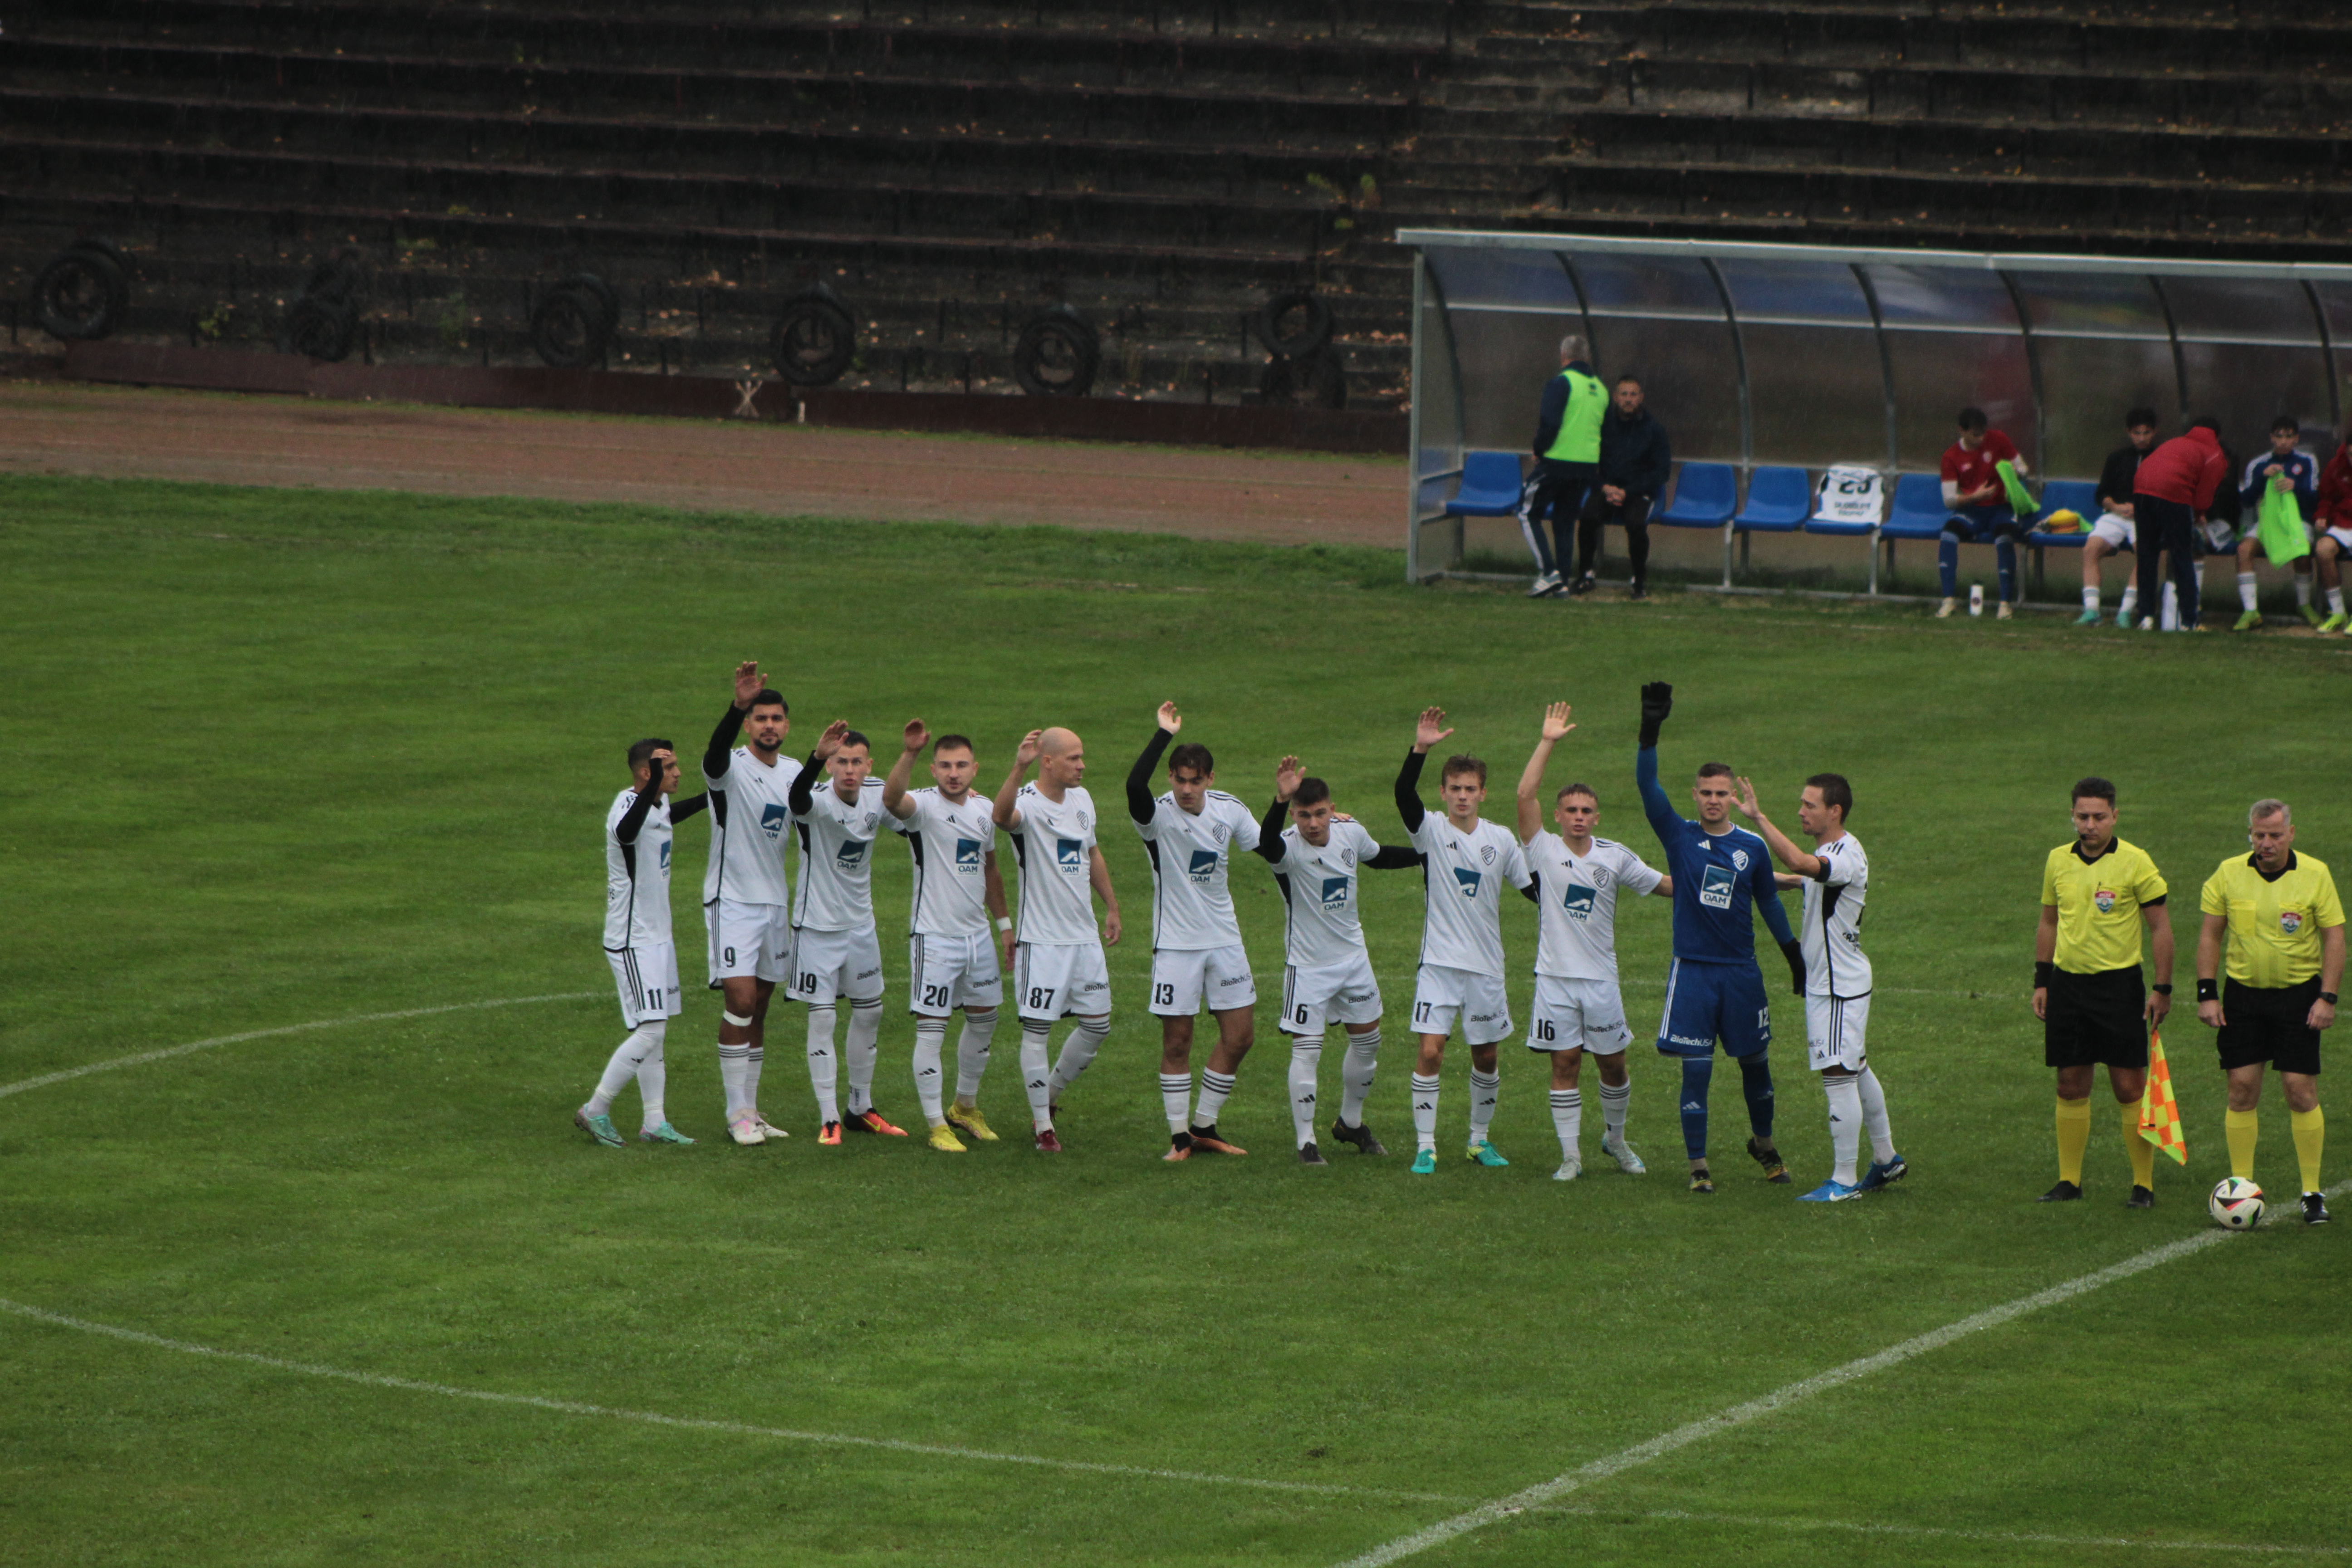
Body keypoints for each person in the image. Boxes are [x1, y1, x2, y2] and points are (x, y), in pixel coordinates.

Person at [1634, 682, 1804, 1193]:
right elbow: (1647, 789)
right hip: (1694, 971)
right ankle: (1698, 1165)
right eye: (1705, 793)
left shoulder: (1751, 847)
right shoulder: (1679, 836)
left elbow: (1769, 901)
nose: (1712, 801)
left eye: (1721, 794)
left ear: (1734, 796)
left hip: (1741, 974)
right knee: (1697, 1073)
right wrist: (1650, 731)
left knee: (1757, 1066)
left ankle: (1764, 1143)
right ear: (1696, 795)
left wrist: (1793, 955)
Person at [1514, 702, 1670, 1181]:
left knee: (1613, 1065)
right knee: (1564, 1063)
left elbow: (1665, 885)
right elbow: (1524, 794)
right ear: (1558, 816)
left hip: (1601, 978)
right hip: (1555, 979)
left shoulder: (1615, 857)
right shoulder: (1542, 848)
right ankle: (1571, 1157)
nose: (1579, 818)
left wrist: (1717, 889)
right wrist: (1548, 741)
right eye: (1571, 811)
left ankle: (1615, 1140)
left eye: (1586, 811)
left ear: (1597, 817)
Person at [1732, 774, 1905, 1202]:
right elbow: (1798, 878)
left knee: (1838, 1074)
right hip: (1837, 984)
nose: (1801, 811)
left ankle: (1844, 1181)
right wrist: (1746, 874)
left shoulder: (1843, 856)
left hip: (1837, 987)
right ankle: (1886, 1159)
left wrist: (1758, 819)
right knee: (1857, 1067)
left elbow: (1800, 866)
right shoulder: (1831, 853)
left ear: (1835, 812)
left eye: (1809, 805)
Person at [1254, 760, 1423, 1164]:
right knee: (1307, 1052)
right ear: (1294, 815)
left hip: (1353, 961)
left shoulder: (1350, 833)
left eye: (1320, 813)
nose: (1313, 823)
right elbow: (1267, 841)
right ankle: (1306, 1142)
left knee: (1369, 1042)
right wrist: (1280, 799)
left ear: (1333, 809)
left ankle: (1350, 1123)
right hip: (1308, 967)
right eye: (1304, 815)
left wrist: (1425, 856)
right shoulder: (1287, 848)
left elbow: (1378, 857)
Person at [1395, 707, 1535, 1174]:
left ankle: (1479, 1141)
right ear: (1443, 792)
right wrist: (1420, 749)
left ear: (1482, 793)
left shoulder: (1501, 840)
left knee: (1487, 1054)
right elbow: (1402, 795)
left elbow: (1534, 891)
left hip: (1486, 967)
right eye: (1454, 788)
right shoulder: (1430, 831)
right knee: (1431, 1050)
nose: (1461, 796)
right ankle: (1426, 1146)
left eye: (1469, 789)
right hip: (1438, 963)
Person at [1127, 703, 1262, 1162]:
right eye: (1179, 780)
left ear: (1210, 778)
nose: (1186, 789)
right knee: (1178, 1042)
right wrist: (1162, 734)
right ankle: (1180, 1137)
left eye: (1195, 780)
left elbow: (1274, 847)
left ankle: (1205, 1127)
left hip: (1225, 941)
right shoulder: (1156, 816)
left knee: (1241, 1036)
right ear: (1170, 778)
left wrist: (1294, 809)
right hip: (1177, 947)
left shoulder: (1230, 810)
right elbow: (1132, 786)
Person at [2196, 799, 2341, 1225]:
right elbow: (2210, 936)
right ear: (2251, 835)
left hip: (2299, 997)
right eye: (2259, 835)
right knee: (2241, 1090)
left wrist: (2327, 997)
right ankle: (2242, 1187)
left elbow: (2334, 939)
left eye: (2275, 835)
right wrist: (2208, 994)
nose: (2266, 844)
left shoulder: (2315, 875)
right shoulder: (2228, 874)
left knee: (2300, 1091)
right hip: (2243, 997)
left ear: (2291, 834)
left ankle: (2312, 1193)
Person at [2034, 777, 2172, 1206]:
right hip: (2068, 985)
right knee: (2070, 1083)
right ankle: (2069, 1181)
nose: (2090, 825)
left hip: (2119, 987)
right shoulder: (2058, 860)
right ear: (2072, 816)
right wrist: (2042, 981)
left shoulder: (2136, 862)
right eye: (2082, 817)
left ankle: (2143, 1184)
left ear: (2115, 815)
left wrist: (2162, 988)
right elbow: (2049, 922)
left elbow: (2161, 929)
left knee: (2130, 1087)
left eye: (2098, 817)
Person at [993, 727, 1120, 1152]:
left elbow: (1092, 853)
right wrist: (1017, 767)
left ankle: (1047, 1096)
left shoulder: (1082, 800)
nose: (1083, 765)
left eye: (1082, 757)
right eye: (1074, 758)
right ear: (1048, 761)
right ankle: (1043, 1127)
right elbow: (1000, 818)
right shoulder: (1027, 804)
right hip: (1042, 943)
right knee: (1038, 1031)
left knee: (1098, 1025)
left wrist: (1112, 906)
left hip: (1084, 938)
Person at [883, 724, 1009, 1152]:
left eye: (961, 766)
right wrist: (909, 753)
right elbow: (890, 800)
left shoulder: (984, 811)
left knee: (985, 1018)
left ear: (975, 768)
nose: (953, 774)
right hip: (935, 938)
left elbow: (991, 869)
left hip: (978, 937)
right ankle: (937, 1124)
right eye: (945, 766)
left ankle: (965, 1108)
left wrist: (1005, 925)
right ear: (934, 769)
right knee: (932, 1030)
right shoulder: (922, 806)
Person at [577, 739, 706, 1148]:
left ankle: (655, 1122)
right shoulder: (625, 809)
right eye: (670, 768)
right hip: (633, 940)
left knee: (658, 1031)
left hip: (658, 937)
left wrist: (714, 798)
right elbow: (627, 831)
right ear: (648, 774)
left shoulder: (658, 804)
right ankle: (596, 1108)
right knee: (650, 1029)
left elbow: (669, 815)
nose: (679, 773)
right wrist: (654, 786)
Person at [781, 721, 899, 1145]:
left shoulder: (876, 795)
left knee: (870, 1013)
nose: (850, 770)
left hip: (861, 928)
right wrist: (814, 758)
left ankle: (860, 1108)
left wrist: (957, 799)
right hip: (816, 929)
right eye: (841, 762)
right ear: (830, 765)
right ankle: (828, 1116)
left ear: (869, 765)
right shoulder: (815, 800)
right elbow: (795, 800)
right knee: (824, 1017)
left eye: (857, 762)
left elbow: (910, 810)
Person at [701, 662, 800, 1146]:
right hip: (732, 902)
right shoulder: (729, 767)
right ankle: (734, 1112)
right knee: (739, 1000)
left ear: (787, 725)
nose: (769, 726)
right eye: (760, 718)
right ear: (748, 725)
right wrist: (736, 703)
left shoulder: (795, 772)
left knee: (760, 1007)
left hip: (774, 906)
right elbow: (714, 752)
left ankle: (752, 1109)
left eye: (776, 718)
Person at [1517, 333, 1607, 599]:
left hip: (1558, 462)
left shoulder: (1562, 383)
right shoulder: (1601, 389)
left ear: (1563, 356)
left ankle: (1549, 573)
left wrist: (1539, 448)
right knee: (1565, 521)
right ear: (1587, 357)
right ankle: (1563, 584)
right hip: (1586, 467)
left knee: (1526, 511)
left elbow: (1550, 423)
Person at [1571, 375, 1671, 601]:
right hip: (1607, 488)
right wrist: (1605, 487)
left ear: (1641, 398)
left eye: (1633, 395)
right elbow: (1586, 463)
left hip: (1638, 492)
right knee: (1587, 518)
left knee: (1636, 525)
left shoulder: (1654, 430)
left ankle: (1639, 580)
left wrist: (1628, 491)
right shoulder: (1602, 427)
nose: (1628, 399)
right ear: (1615, 398)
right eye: (1624, 395)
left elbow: (1661, 472)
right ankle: (1585, 574)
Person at [2132, 418, 2230, 634]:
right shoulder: (2214, 454)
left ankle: (2146, 617)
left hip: (2141, 490)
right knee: (2182, 556)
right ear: (2218, 437)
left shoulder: (2175, 442)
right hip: (2173, 494)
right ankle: (2189, 620)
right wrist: (2199, 514)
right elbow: (2204, 497)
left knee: (2147, 555)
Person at [1935, 407, 2030, 621]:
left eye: (1983, 433)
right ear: (1962, 431)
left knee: (2005, 538)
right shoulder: (1951, 457)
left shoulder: (1998, 439)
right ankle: (1948, 600)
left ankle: (2005, 604)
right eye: (1975, 435)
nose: (1981, 439)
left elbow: (2024, 468)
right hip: (1972, 511)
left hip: (2001, 508)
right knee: (1948, 536)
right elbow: (1949, 500)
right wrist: (1974, 497)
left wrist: (2017, 473)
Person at [2230, 416, 2322, 632]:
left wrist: (2295, 486)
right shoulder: (2259, 464)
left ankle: (2304, 605)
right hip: (2267, 523)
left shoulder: (2307, 461)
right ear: (2272, 438)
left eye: (2289, 437)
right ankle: (2251, 611)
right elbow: (2247, 501)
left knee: (2303, 551)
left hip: (2296, 522)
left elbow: (2315, 499)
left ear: (2296, 439)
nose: (2283, 441)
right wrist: (2262, 479)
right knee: (2244, 550)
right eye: (2279, 436)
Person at [2076, 407, 2159, 627]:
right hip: (2116, 515)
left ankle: (2125, 612)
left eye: (2147, 433)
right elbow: (2101, 494)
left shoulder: (2162, 458)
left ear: (2155, 432)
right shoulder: (2117, 458)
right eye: (2137, 433)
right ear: (2129, 433)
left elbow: (2165, 496)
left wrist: (2142, 509)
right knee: (2090, 549)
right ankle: (2092, 610)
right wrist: (2115, 506)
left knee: (2146, 555)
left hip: (2146, 519)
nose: (2142, 438)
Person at [2310, 427, 2352, 633]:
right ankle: (2337, 612)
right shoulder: (2336, 466)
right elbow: (2326, 496)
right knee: (2323, 550)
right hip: (2344, 522)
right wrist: (2322, 515)